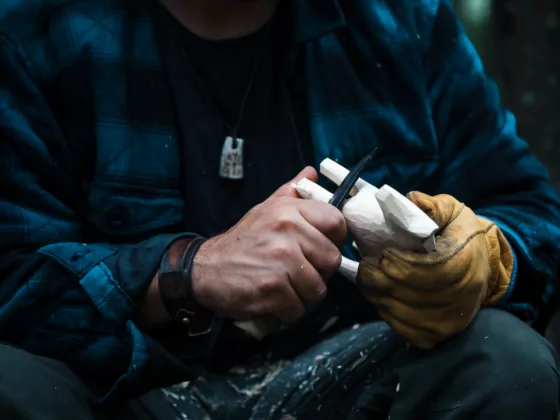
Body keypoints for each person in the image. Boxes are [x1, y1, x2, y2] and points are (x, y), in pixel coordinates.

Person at [0, 0, 559, 418]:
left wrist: (486, 259)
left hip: (345, 373)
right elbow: (12, 280)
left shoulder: (399, 19)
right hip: (125, 389)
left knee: (505, 359)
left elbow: (530, 209)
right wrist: (183, 274)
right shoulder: (34, 28)